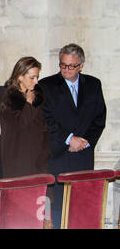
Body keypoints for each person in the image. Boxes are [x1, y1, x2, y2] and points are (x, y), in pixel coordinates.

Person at [39, 43, 106, 228]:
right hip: (59, 155)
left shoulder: (93, 84)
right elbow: (45, 120)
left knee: (82, 205)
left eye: (71, 66)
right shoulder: (46, 85)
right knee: (60, 207)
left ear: (81, 65)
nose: (66, 69)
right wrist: (69, 139)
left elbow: (99, 119)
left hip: (83, 156)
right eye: (63, 65)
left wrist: (85, 142)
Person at [0, 56, 50, 179]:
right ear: (20, 76)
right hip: (18, 158)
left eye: (37, 77)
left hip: (39, 158)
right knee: (22, 195)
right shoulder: (8, 97)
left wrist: (45, 152)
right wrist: (28, 104)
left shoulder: (38, 95)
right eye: (32, 78)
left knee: (41, 196)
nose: (36, 81)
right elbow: (19, 125)